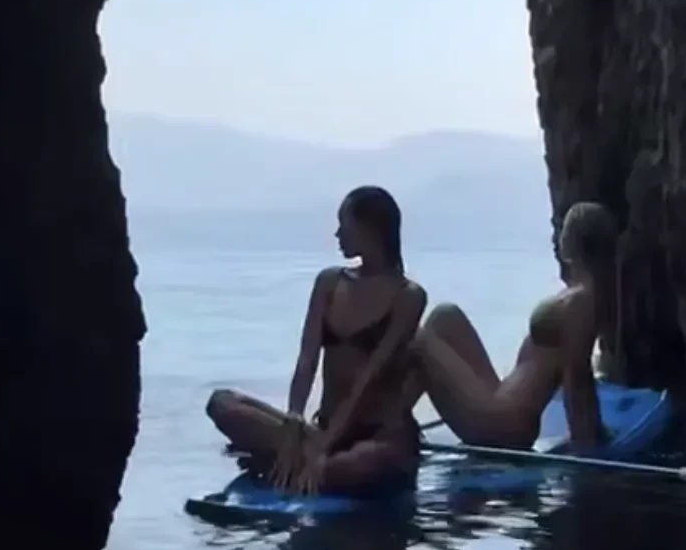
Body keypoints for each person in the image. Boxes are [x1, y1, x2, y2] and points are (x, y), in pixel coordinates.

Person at [206, 186, 427, 496]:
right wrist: (294, 421)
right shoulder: (329, 282)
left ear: (369, 229)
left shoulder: (408, 297)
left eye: (344, 224)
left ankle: (294, 463)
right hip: (321, 431)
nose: (337, 234)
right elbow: (307, 359)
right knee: (222, 403)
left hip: (378, 438)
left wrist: (325, 444)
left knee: (343, 468)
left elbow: (369, 379)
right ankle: (297, 458)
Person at [406, 201, 618, 450]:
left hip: (502, 425)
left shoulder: (581, 301)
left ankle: (388, 424)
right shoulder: (579, 294)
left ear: (573, 242)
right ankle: (396, 418)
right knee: (445, 317)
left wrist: (586, 442)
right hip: (501, 404)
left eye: (564, 229)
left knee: (415, 337)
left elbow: (577, 375)